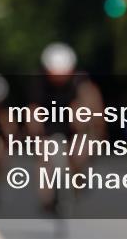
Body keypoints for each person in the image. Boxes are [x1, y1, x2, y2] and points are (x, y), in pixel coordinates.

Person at [27, 42, 105, 213]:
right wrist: (36, 134)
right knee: (44, 156)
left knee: (80, 151)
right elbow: (33, 111)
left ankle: (77, 178)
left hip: (74, 127)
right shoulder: (39, 82)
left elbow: (94, 111)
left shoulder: (82, 83)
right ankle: (47, 199)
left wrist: (88, 125)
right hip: (49, 125)